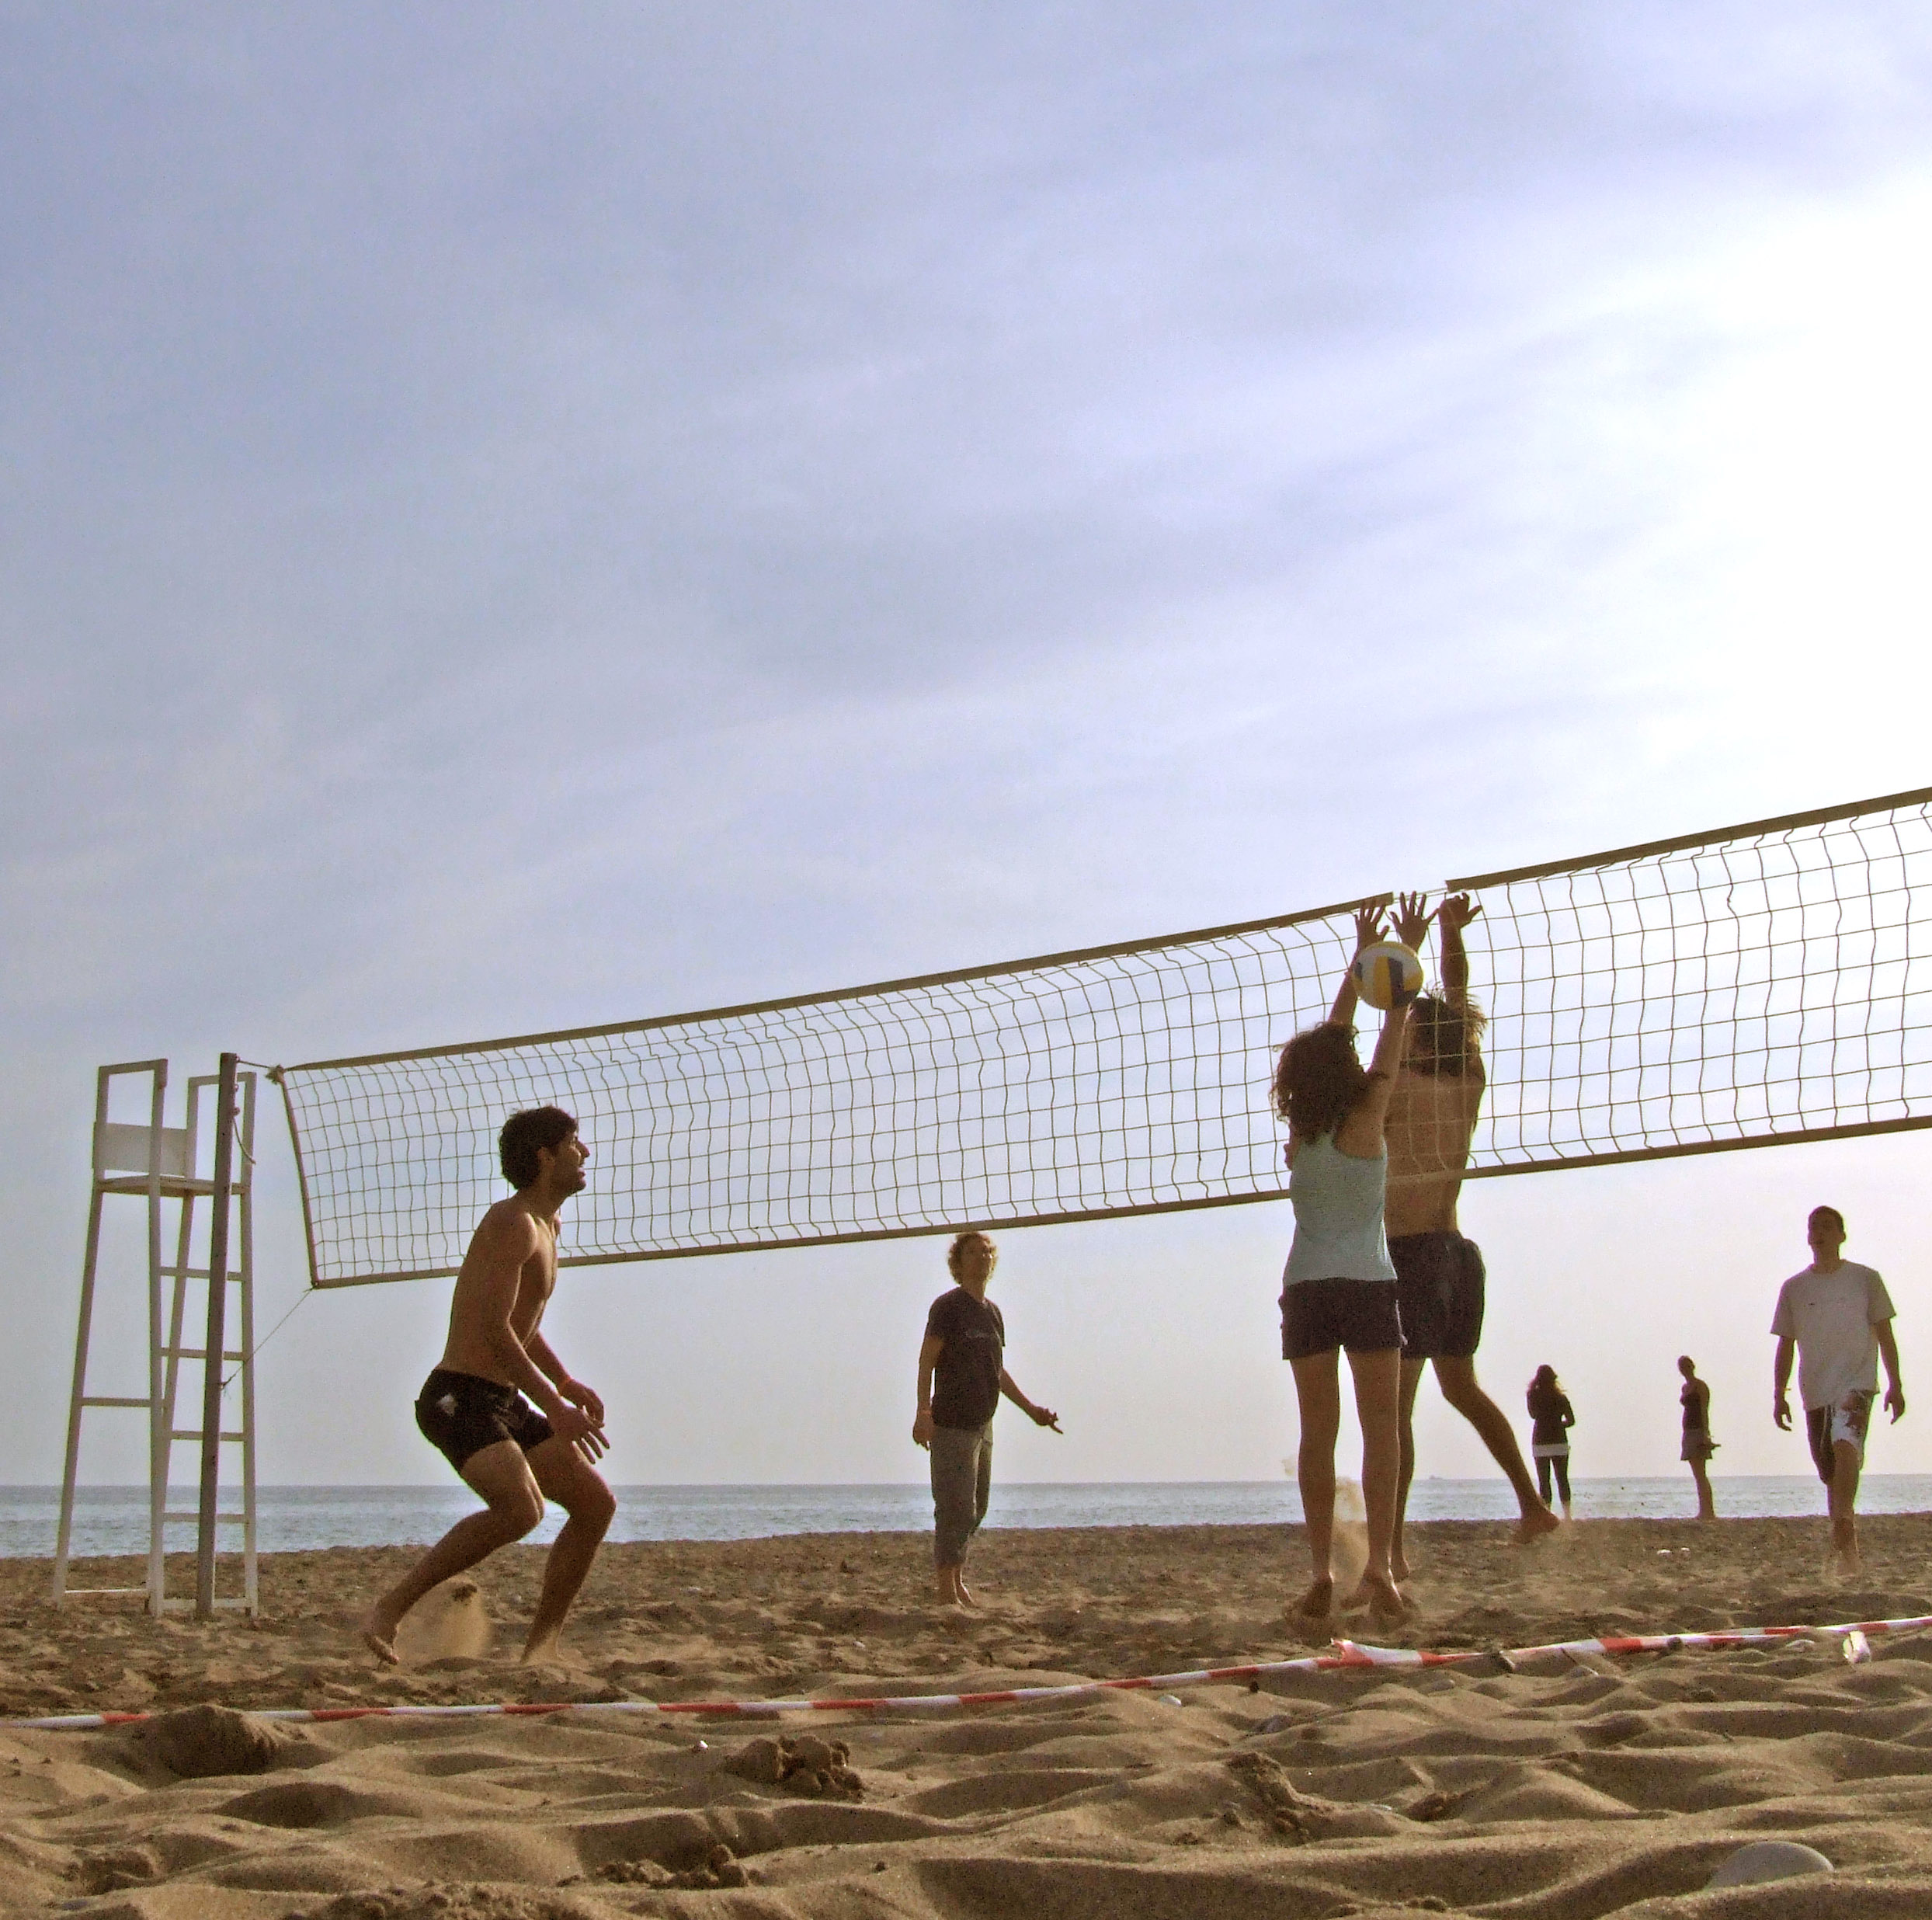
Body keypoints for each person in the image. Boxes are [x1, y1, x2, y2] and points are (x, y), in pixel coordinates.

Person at [1328, 893, 1558, 1580]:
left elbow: (1356, 1045)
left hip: (1409, 1257)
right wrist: (1447, 939)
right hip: (1459, 1255)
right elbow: (1457, 1003)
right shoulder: (1469, 1082)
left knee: (1394, 1416)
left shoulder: (1394, 1087)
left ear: (1414, 1038)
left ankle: (1391, 1556)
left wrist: (1379, 968)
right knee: (1461, 1389)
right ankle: (1531, 1505)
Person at [361, 1106, 616, 1666]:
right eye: (575, 1143)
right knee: (521, 1511)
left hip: (499, 1399)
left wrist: (565, 1382)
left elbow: (526, 1325)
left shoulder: (549, 1225)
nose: (586, 1153)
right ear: (545, 1156)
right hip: (458, 1397)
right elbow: (494, 1332)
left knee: (594, 1504)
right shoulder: (512, 1222)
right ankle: (389, 1609)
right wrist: (555, 1406)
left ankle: (541, 1649)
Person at [1273, 913, 1417, 1630]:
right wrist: (1398, 967)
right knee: (1382, 1429)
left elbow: (1335, 1046)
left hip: (1305, 1288)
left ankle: (1322, 1572)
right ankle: (1382, 1570)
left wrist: (1357, 965)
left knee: (1317, 1435)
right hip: (1365, 1283)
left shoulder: (1302, 1132)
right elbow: (1389, 1039)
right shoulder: (1367, 1122)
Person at [912, 1232, 1060, 1606]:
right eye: (974, 1252)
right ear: (958, 1262)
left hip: (983, 1424)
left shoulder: (992, 1313)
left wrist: (1033, 1411)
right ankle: (947, 1589)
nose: (983, 1257)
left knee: (977, 1508)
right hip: (951, 1423)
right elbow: (926, 1360)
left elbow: (997, 1371)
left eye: (987, 1252)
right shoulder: (947, 1307)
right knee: (954, 1507)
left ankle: (957, 1578)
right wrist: (923, 1412)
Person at [1771, 1204, 1905, 1574]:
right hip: (1815, 1389)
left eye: (1828, 1227)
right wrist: (1778, 1393)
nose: (1820, 1232)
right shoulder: (1794, 1288)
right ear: (1807, 1236)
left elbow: (1885, 1333)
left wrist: (1895, 1384)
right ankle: (1847, 1548)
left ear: (1842, 1235)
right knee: (1829, 1471)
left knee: (1846, 1444)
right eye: (1814, 1226)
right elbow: (1785, 1343)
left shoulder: (1866, 1279)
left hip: (1857, 1383)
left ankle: (1844, 1520)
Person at [1526, 1365, 1573, 1516]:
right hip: (1559, 1440)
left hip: (1540, 1440)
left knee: (1544, 1480)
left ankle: (1547, 1512)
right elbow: (1571, 1421)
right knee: (1562, 1479)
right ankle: (1567, 1515)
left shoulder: (1532, 1395)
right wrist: (1559, 1424)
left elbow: (1533, 1415)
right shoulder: (1561, 1398)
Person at [1678, 1355, 1717, 1521]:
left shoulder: (1700, 1386)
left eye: (1686, 1365)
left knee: (1701, 1473)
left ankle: (1708, 1511)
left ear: (1692, 1366)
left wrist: (1706, 1435)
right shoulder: (1685, 1387)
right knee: (1697, 1473)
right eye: (1682, 1366)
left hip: (1698, 1430)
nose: (1684, 1369)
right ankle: (1703, 1510)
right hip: (1687, 1431)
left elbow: (1704, 1410)